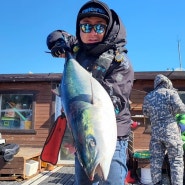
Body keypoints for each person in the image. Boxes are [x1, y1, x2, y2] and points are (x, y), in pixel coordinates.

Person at [46, 1, 134, 184]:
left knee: (108, 179)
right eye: (86, 26)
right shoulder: (76, 47)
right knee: (85, 177)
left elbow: (111, 104)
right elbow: (56, 34)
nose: (92, 32)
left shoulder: (120, 63)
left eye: (100, 27)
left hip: (112, 136)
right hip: (83, 134)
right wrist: (58, 42)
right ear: (79, 29)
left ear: (108, 28)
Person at [142, 74, 185, 185]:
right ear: (167, 82)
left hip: (156, 133)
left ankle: (157, 183)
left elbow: (145, 113)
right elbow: (181, 109)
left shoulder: (148, 97)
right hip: (171, 134)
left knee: (155, 161)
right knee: (176, 161)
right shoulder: (171, 94)